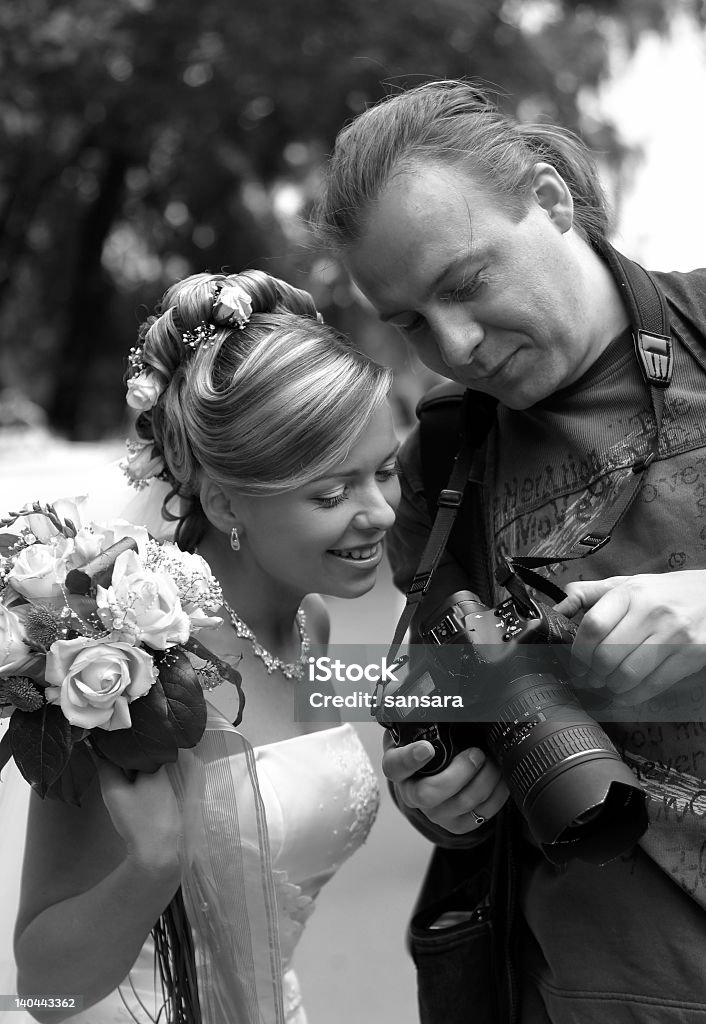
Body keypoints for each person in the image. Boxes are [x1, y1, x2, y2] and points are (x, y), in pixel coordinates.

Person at [313, 80, 706, 1022]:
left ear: (551, 200)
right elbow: (455, 689)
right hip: (592, 990)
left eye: (466, 282)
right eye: (409, 320)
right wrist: (437, 785)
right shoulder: (441, 462)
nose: (454, 344)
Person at [7, 269, 401, 1024]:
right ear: (224, 501)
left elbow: (413, 692)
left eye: (384, 471)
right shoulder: (125, 669)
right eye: (332, 493)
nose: (379, 512)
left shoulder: (309, 623)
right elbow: (44, 989)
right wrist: (155, 866)